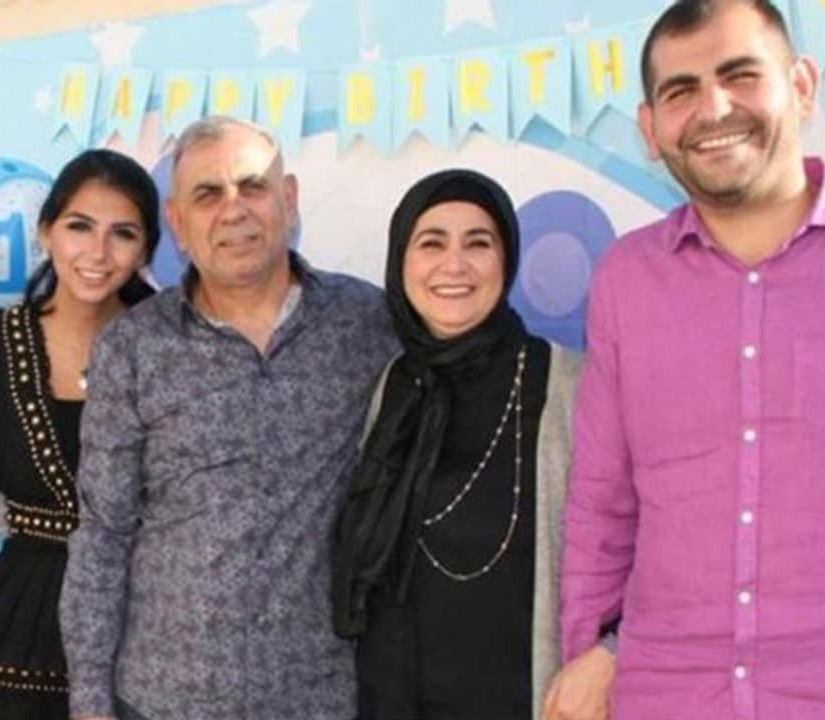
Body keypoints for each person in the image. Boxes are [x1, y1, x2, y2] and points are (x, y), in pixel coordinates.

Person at [59, 116, 397, 720]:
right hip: (163, 699)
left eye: (252, 186)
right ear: (177, 222)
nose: (234, 210)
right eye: (208, 194)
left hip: (319, 697)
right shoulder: (132, 347)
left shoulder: (367, 322)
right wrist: (89, 702)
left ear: (289, 199)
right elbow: (103, 533)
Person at [559, 1, 825, 718]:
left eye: (741, 75)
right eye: (682, 91)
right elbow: (602, 501)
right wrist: (589, 651)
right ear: (650, 130)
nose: (714, 108)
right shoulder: (626, 280)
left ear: (802, 86)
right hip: (664, 690)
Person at [332, 169, 588, 720]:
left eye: (478, 243)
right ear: (401, 261)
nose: (455, 265)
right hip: (391, 698)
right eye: (431, 243)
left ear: (507, 261)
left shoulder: (568, 384)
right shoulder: (392, 386)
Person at [0, 148, 160, 720]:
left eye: (123, 233)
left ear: (146, 250)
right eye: (79, 227)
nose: (97, 252)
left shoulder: (172, 348)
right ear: (46, 231)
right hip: (18, 631)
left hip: (148, 623)